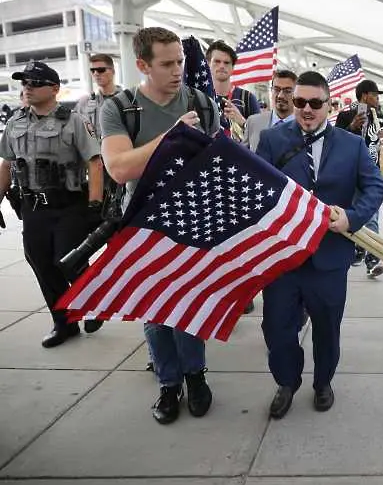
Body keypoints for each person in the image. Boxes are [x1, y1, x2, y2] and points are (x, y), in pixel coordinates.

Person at [100, 27, 220, 425]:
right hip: (144, 226)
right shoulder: (121, 108)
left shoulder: (202, 103)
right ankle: (169, 384)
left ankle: (195, 376)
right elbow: (119, 169)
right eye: (166, 64)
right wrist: (172, 137)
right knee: (155, 313)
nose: (177, 71)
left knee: (190, 306)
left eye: (180, 62)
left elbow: (218, 163)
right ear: (142, 65)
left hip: (192, 221)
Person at [255, 71, 383, 419]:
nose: (306, 109)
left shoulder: (352, 144)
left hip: (329, 259)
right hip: (282, 258)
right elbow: (257, 192)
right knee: (277, 327)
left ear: (329, 105)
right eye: (299, 102)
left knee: (327, 329)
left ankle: (323, 382)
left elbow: (376, 187)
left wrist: (351, 218)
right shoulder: (271, 139)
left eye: (315, 103)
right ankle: (286, 381)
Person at [0, 61, 104, 347]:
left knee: (67, 260)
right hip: (33, 208)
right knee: (42, 264)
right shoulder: (14, 123)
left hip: (70, 205)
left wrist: (95, 204)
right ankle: (64, 323)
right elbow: (7, 164)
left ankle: (94, 302)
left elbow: (94, 163)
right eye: (25, 83)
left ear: (54, 88)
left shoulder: (74, 121)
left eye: (34, 83)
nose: (28, 88)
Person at [335, 79, 383, 278]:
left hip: (373, 174)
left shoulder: (382, 118)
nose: (378, 100)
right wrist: (351, 127)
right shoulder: (345, 115)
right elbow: (335, 142)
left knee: (372, 216)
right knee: (353, 214)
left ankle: (372, 259)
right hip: (349, 174)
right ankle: (359, 248)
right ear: (364, 96)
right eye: (375, 95)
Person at [205, 40, 260, 142]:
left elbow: (260, 137)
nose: (222, 66)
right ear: (208, 64)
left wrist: (242, 122)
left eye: (226, 62)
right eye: (217, 61)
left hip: (237, 156)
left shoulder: (247, 98)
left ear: (232, 67)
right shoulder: (200, 96)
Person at [243, 69, 297, 153]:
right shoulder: (253, 122)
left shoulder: (304, 126)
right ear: (271, 90)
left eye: (287, 91)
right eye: (277, 89)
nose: (280, 96)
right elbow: (243, 156)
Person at [74, 54, 123, 141]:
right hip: (94, 152)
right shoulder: (84, 103)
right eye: (92, 70)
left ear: (113, 71)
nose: (96, 74)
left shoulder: (127, 100)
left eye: (101, 70)